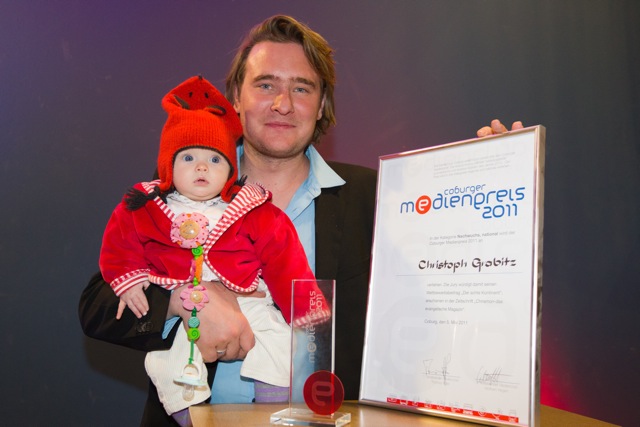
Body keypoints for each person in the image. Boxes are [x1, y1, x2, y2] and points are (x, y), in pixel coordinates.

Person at [79, 14, 520, 426]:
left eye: (302, 88)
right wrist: (187, 303)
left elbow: (449, 279)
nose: (283, 104)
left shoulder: (375, 196)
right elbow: (97, 306)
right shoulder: (179, 189)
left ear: (322, 103)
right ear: (236, 100)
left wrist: (496, 179)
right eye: (265, 85)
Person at [99, 75, 330, 424]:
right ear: (168, 166)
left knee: (282, 342)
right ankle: (189, 418)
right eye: (189, 157)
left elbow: (285, 259)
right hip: (179, 300)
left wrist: (306, 308)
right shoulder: (147, 206)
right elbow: (120, 242)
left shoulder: (251, 208)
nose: (202, 167)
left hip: (249, 297)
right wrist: (130, 280)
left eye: (215, 160)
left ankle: (271, 408)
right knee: (166, 361)